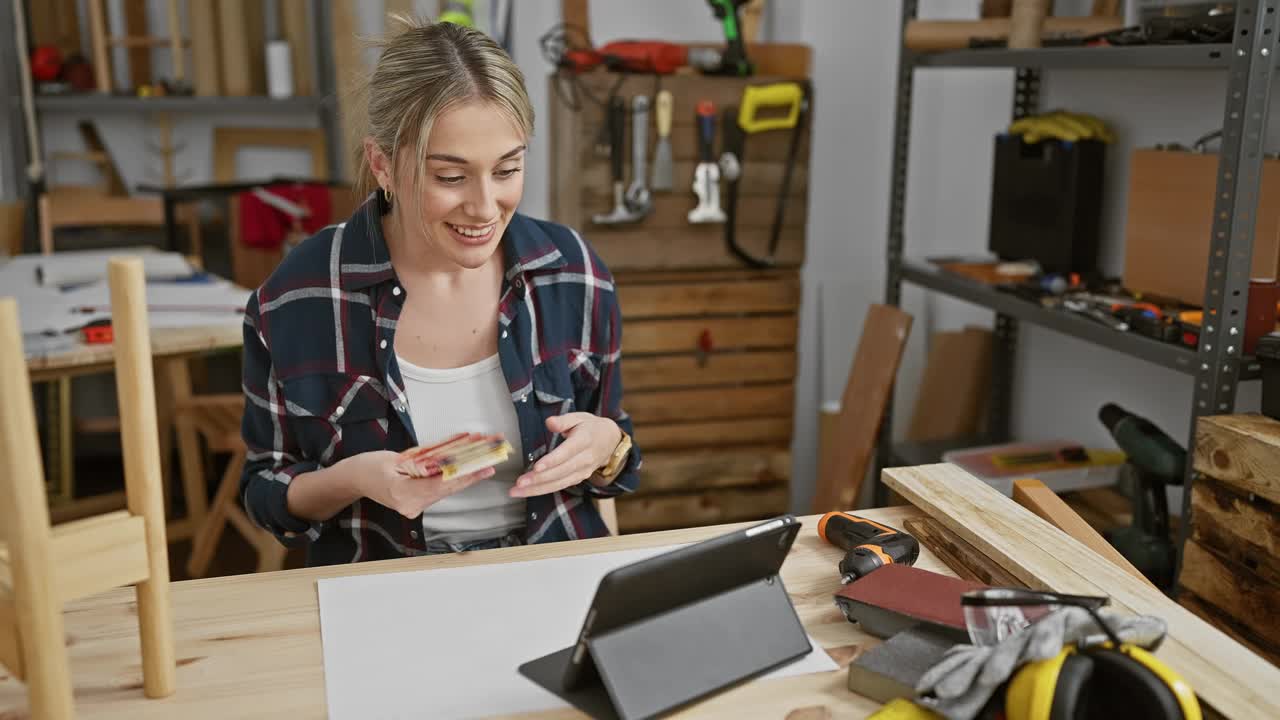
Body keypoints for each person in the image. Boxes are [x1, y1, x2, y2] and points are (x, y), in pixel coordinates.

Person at [239, 17, 640, 566]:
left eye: (507, 169)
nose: (484, 207)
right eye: (450, 177)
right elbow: (265, 493)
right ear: (381, 163)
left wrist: (605, 447)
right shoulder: (297, 297)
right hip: (382, 589)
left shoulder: (573, 273)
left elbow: (614, 455)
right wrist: (352, 479)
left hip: (553, 574)